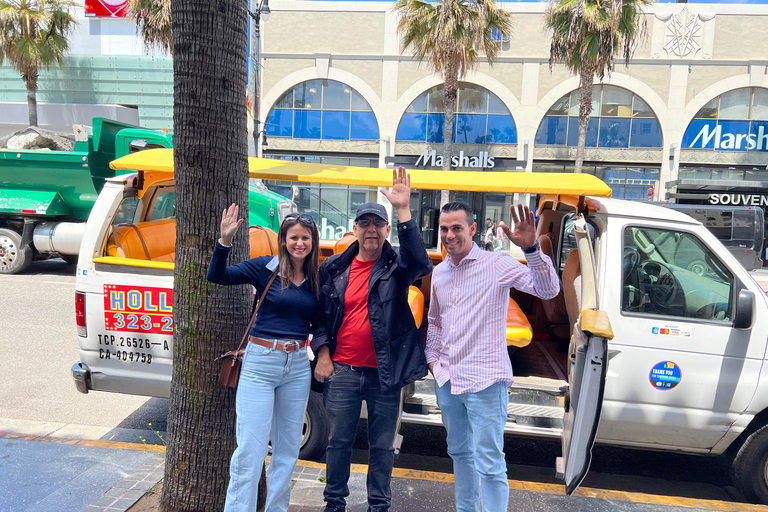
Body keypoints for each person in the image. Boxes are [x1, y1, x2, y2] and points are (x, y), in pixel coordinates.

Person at [312, 167, 432, 512]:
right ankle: (334, 504)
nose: (371, 230)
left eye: (378, 224)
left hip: (385, 374)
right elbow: (319, 316)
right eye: (364, 223)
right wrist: (322, 353)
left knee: (382, 446)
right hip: (343, 371)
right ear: (355, 230)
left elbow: (421, 262)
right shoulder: (333, 268)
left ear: (386, 230)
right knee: (337, 443)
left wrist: (404, 210)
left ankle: (379, 506)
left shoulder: (397, 267)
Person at [426, 202, 560, 512]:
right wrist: (433, 362)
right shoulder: (440, 273)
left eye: (457, 227)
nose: (449, 235)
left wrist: (531, 250)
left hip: (486, 382)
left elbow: (548, 289)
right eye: (444, 229)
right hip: (448, 381)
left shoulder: (496, 263)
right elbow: (435, 322)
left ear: (472, 229)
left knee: (489, 463)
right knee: (460, 454)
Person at [207, 206, 325, 512]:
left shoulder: (315, 277)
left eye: (305, 238)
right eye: (293, 237)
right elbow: (217, 276)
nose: (299, 243)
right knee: (250, 449)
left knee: (287, 452)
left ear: (313, 242)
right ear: (284, 240)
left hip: (298, 365)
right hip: (260, 363)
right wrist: (224, 241)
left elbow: (320, 320)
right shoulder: (266, 268)